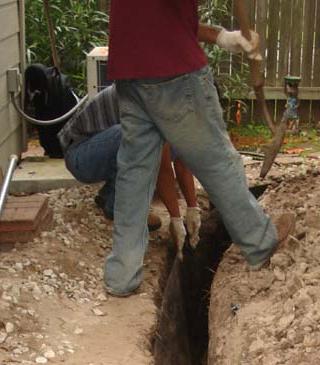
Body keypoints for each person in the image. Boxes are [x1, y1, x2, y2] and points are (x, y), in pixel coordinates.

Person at [105, 2, 294, 297]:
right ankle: (260, 242)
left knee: (134, 176)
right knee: (217, 161)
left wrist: (220, 36)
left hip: (130, 71)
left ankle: (121, 276)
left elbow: (160, 16)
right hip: (175, 71)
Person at [58, 83, 199, 248]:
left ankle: (110, 194)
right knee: (138, 139)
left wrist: (192, 208)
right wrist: (175, 218)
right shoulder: (156, 102)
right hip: (79, 155)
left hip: (98, 148)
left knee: (168, 145)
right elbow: (164, 169)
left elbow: (183, 163)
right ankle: (119, 207)